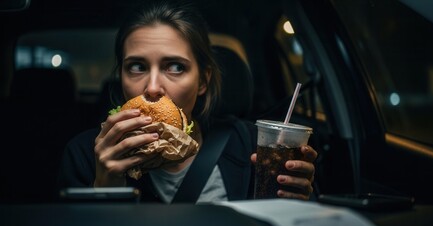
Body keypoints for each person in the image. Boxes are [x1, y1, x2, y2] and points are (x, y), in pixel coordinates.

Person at [57, 0, 317, 203]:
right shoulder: (86, 155)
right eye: (136, 66)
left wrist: (298, 200)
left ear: (203, 81)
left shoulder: (254, 145)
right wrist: (106, 188)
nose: (153, 87)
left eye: (175, 67)